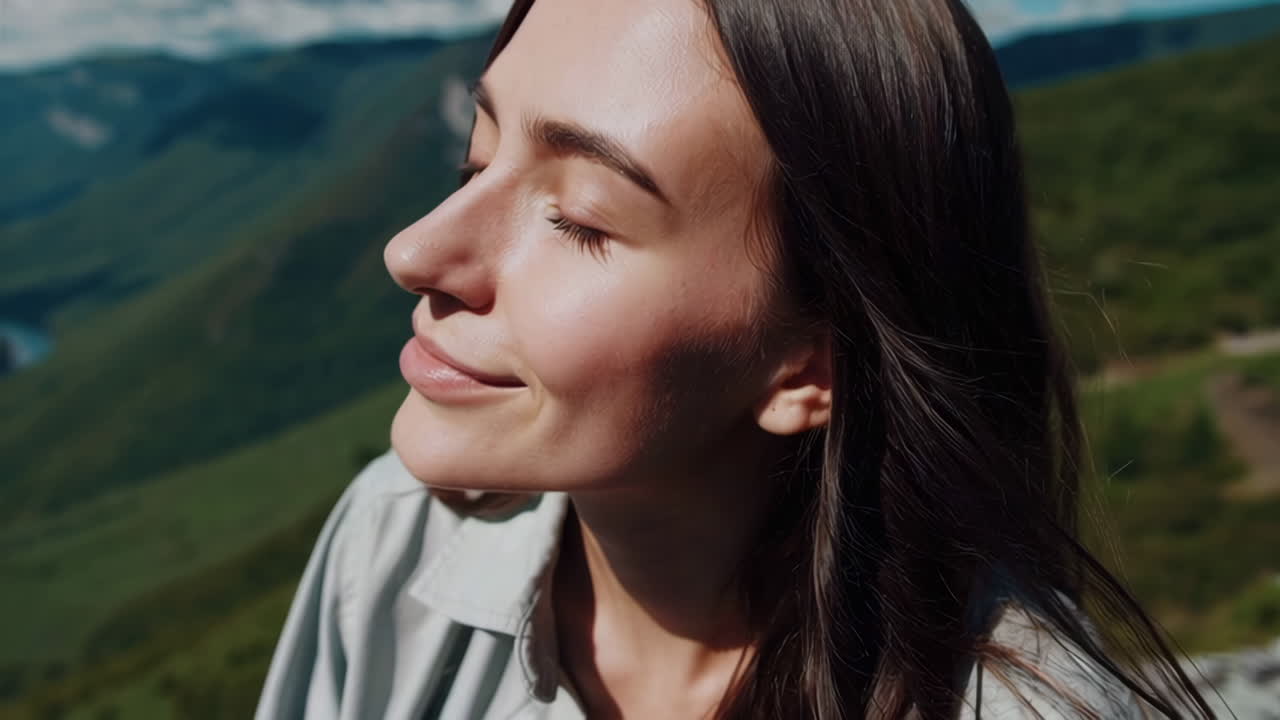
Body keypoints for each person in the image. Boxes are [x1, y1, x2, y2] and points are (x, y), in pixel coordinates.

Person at [255, 0, 1217, 717]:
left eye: (578, 219)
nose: (415, 251)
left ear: (811, 364)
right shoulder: (393, 546)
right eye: (477, 155)